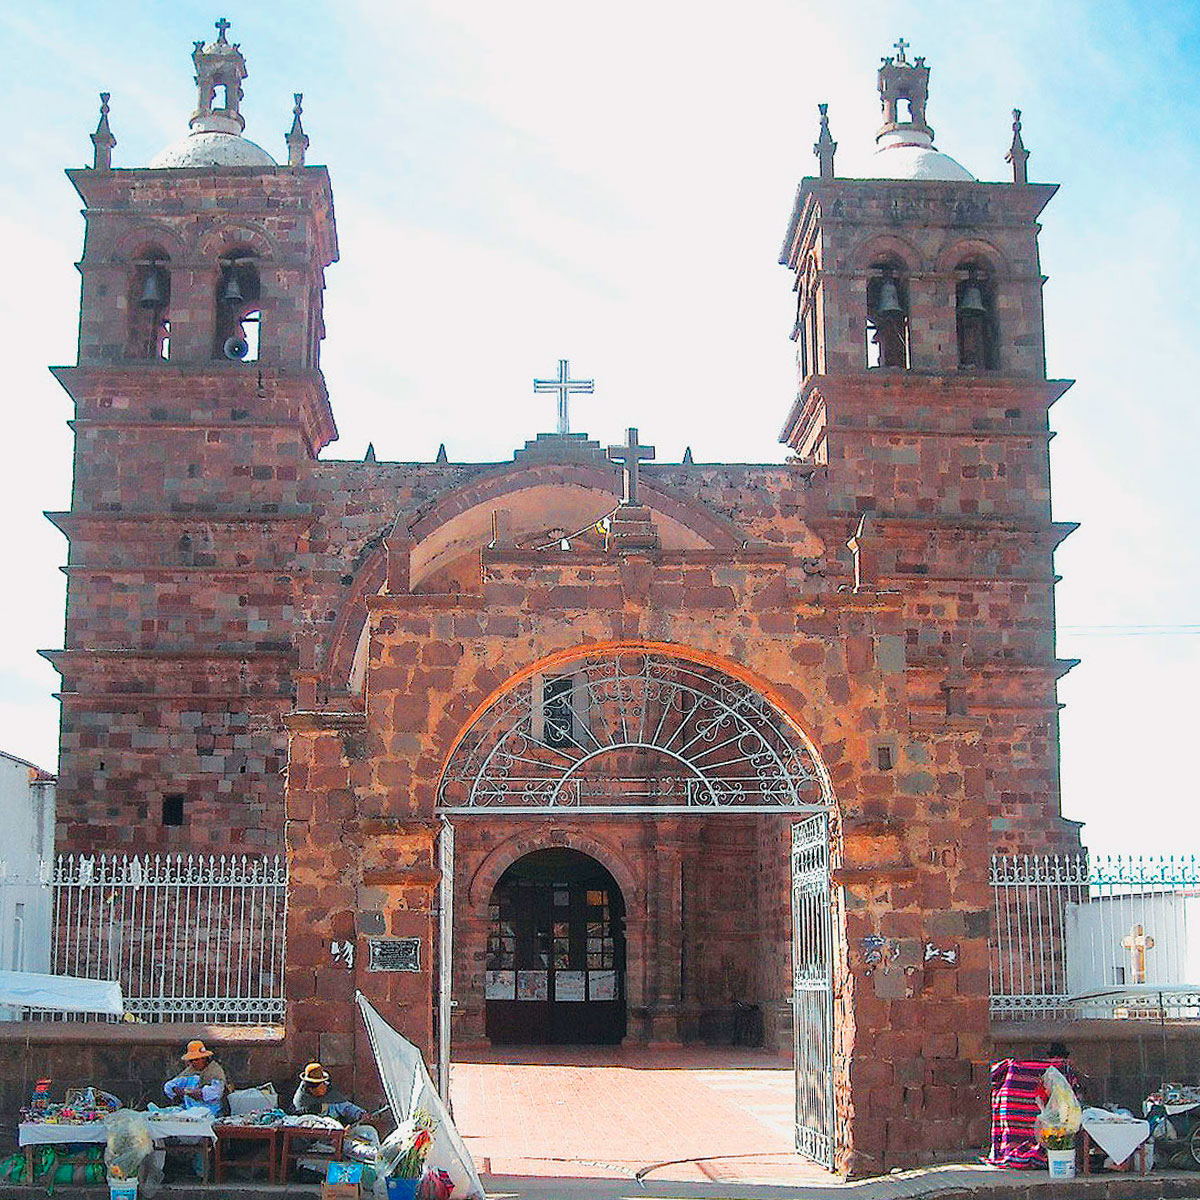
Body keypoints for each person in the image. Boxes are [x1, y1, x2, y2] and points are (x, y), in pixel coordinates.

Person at [163, 1039, 228, 1117]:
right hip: (189, 1112)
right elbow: (169, 1086)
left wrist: (192, 1093)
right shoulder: (190, 1072)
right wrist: (176, 1089)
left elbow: (215, 1092)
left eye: (196, 1060)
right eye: (191, 1060)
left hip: (211, 1114)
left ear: (204, 1058)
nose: (193, 1063)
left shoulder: (214, 1071)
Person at [292, 1062, 366, 1125]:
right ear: (311, 1090)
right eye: (321, 1087)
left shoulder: (330, 1094)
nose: (325, 1087)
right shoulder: (301, 1099)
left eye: (324, 1084)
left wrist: (360, 1114)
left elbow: (345, 1107)